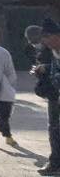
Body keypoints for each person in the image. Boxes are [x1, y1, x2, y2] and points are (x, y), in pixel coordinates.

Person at [33, 17, 60, 175]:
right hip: (55, 95)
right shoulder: (50, 51)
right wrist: (44, 68)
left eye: (48, 39)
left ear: (57, 35)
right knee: (54, 129)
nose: (46, 43)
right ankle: (55, 162)